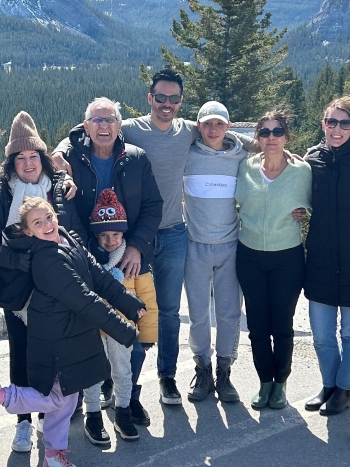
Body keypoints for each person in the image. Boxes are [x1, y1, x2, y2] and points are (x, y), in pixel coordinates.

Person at [52, 69, 259, 407]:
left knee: (168, 311)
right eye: (160, 98)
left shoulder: (188, 130)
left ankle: (167, 377)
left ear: (180, 101)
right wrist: (60, 151)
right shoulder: (130, 128)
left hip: (175, 232)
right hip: (134, 238)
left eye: (173, 99)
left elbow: (222, 131)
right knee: (121, 308)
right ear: (150, 98)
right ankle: (113, 380)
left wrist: (266, 144)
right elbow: (86, 128)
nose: (166, 104)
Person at [0, 197, 146, 467]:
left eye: (48, 217)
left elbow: (98, 276)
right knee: (58, 398)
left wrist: (130, 303)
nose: (47, 225)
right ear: (28, 232)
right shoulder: (47, 259)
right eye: (38, 223)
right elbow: (85, 300)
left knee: (67, 398)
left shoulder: (66, 238)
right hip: (56, 339)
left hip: (72, 334)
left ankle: (53, 455)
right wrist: (124, 329)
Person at [55, 97, 163, 426]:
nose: (104, 126)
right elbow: (64, 208)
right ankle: (85, 401)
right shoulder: (70, 157)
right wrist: (83, 254)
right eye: (97, 120)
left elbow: (152, 206)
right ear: (85, 126)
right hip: (84, 257)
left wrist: (137, 248)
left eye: (110, 120)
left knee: (132, 330)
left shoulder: (136, 159)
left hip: (128, 256)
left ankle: (125, 399)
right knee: (86, 334)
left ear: (120, 126)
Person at [0, 110, 86, 453]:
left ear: (43, 158)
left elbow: (73, 232)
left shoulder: (60, 187)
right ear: (11, 163)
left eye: (33, 156)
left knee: (60, 353)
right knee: (23, 353)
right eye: (20, 158)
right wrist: (26, 262)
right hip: (20, 290)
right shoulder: (0, 193)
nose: (28, 163)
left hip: (58, 287)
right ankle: (24, 423)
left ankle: (51, 417)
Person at [302, 97, 350, 417]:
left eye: (345, 123)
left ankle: (345, 388)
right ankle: (329, 384)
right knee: (321, 334)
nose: (337, 129)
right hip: (319, 258)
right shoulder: (312, 159)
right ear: (323, 124)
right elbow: (297, 196)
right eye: (331, 122)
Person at [235, 109, 312, 410]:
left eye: (277, 132)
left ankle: (281, 383)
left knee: (282, 324)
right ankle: (264, 382)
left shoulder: (302, 171)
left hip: (288, 257)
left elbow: (316, 205)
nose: (271, 138)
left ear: (286, 136)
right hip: (250, 255)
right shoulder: (245, 168)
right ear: (258, 137)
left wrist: (304, 213)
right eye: (264, 132)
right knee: (256, 325)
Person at [182, 101, 249, 403]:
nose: (212, 129)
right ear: (198, 126)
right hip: (194, 244)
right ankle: (203, 369)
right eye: (206, 123)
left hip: (230, 245)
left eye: (219, 123)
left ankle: (225, 371)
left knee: (229, 312)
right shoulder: (187, 153)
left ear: (228, 126)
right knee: (197, 313)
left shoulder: (241, 154)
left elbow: (270, 150)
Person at [83, 189, 158, 445]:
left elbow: (147, 299)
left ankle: (122, 411)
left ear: (124, 233)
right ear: (95, 235)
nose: (110, 241)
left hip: (121, 328)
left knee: (122, 371)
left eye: (115, 234)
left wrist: (147, 333)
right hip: (91, 329)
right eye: (104, 235)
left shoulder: (133, 261)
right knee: (91, 373)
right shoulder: (86, 260)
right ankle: (92, 414)